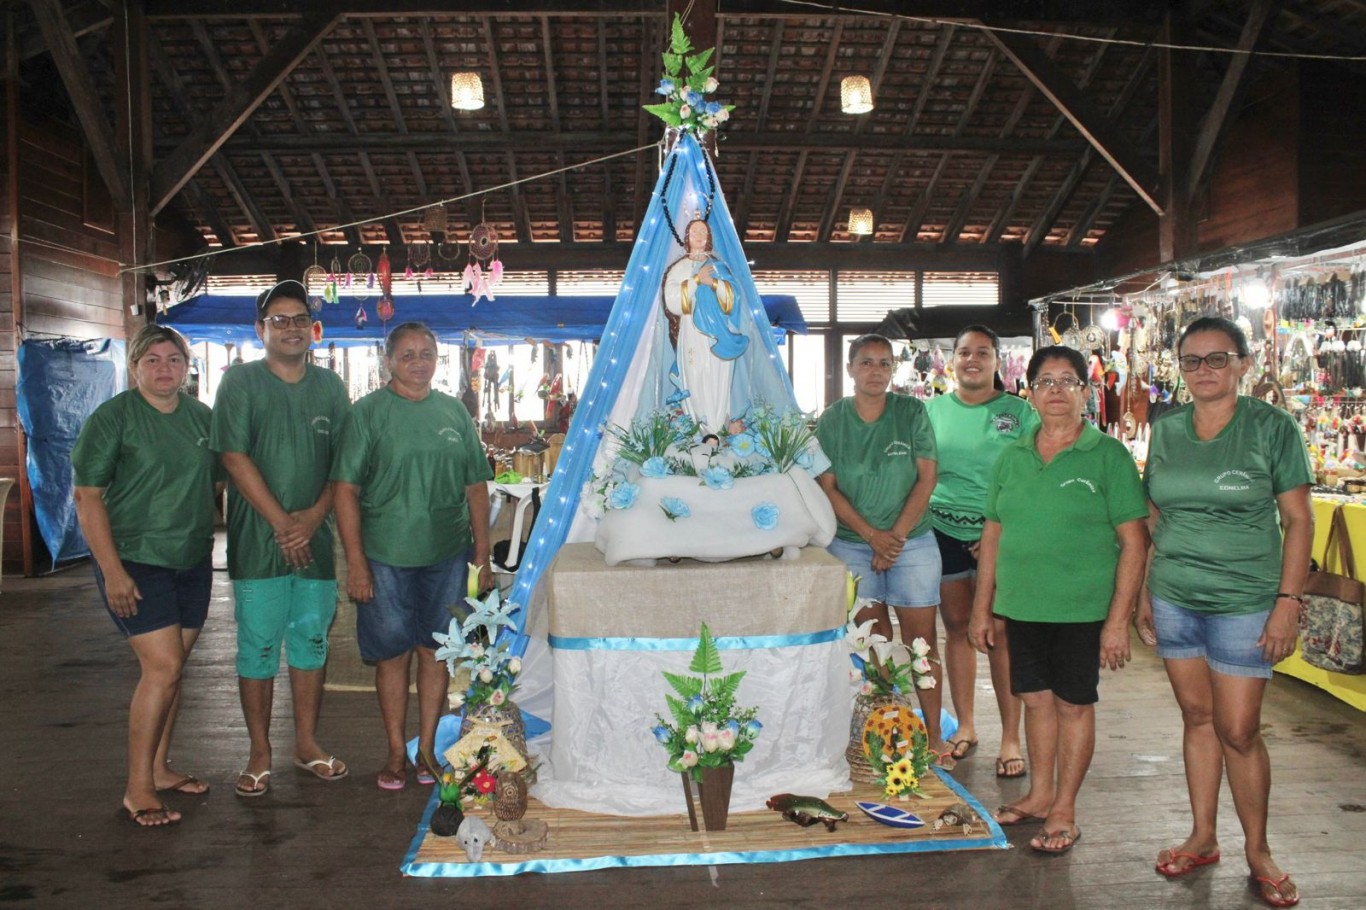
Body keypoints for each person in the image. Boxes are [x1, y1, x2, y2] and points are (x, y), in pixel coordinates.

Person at [1136, 316, 1311, 908]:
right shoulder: (1166, 429)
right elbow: (1156, 515)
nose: (1204, 370)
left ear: (1243, 363)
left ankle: (1258, 849)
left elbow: (1300, 521)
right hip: (1175, 592)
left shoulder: (1272, 427)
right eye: (1192, 361)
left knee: (1238, 729)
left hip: (1245, 597)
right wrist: (1143, 594)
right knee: (1196, 717)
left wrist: (1287, 603)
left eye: (1217, 358)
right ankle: (1203, 835)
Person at [969, 345, 1148, 854]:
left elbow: (1135, 542)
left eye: (1067, 381)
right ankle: (1041, 793)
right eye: (1044, 381)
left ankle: (1065, 808)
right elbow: (994, 533)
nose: (1055, 391)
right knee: (1035, 701)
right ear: (1028, 392)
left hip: (1082, 609)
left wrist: (1118, 623)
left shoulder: (1107, 456)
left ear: (1085, 392)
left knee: (1073, 705)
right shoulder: (1012, 455)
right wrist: (983, 608)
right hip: (1022, 606)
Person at [332, 323, 494, 791]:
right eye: (407, 354)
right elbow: (345, 490)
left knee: (435, 653)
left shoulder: (453, 413)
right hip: (384, 556)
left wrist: (481, 556)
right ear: (389, 361)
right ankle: (393, 753)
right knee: (392, 655)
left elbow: (476, 488)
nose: (418, 362)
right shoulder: (367, 414)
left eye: (427, 353)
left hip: (446, 555)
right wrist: (357, 562)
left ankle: (426, 752)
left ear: (437, 359)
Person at [72, 325, 221, 826]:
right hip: (134, 559)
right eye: (152, 360)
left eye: (174, 359)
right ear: (134, 366)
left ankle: (159, 768)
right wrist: (112, 571)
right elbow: (87, 496)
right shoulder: (113, 418)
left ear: (187, 366)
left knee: (172, 669)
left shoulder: (202, 418)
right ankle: (137, 788)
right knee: (162, 669)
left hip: (192, 559)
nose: (164, 369)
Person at [211, 279, 351, 798]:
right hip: (257, 539)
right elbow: (232, 456)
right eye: (279, 319)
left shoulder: (331, 388)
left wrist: (313, 519)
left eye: (299, 319)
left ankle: (306, 744)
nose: (290, 328)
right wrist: (281, 523)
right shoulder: (241, 383)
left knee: (311, 641)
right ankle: (259, 750)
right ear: (260, 329)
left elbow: (344, 465)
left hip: (314, 539)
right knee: (259, 644)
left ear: (312, 330)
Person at [817, 333, 955, 766]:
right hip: (854, 545)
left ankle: (933, 737)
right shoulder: (833, 419)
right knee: (872, 643)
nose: (875, 371)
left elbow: (926, 479)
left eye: (883, 363)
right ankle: (885, 734)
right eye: (866, 362)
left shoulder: (911, 412)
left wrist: (893, 536)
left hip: (911, 542)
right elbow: (828, 486)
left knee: (921, 643)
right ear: (851, 369)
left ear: (892, 369)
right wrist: (872, 536)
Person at [925, 325, 1038, 775]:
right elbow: (921, 473)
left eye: (983, 353)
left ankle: (1011, 739)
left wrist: (1002, 531)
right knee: (956, 628)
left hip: (1002, 533)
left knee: (1000, 633)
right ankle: (967, 725)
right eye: (964, 352)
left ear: (998, 360)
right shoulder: (930, 410)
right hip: (942, 530)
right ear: (952, 359)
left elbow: (1032, 477)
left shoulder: (1019, 413)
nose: (973, 360)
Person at [662, 217, 746, 434]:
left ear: (709, 237)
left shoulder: (718, 266)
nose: (699, 236)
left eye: (703, 232)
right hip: (692, 331)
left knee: (717, 377)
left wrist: (715, 283)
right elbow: (672, 301)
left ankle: (718, 428)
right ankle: (700, 430)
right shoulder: (679, 268)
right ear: (687, 237)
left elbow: (733, 298)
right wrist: (696, 280)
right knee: (695, 375)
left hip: (718, 332)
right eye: (695, 232)